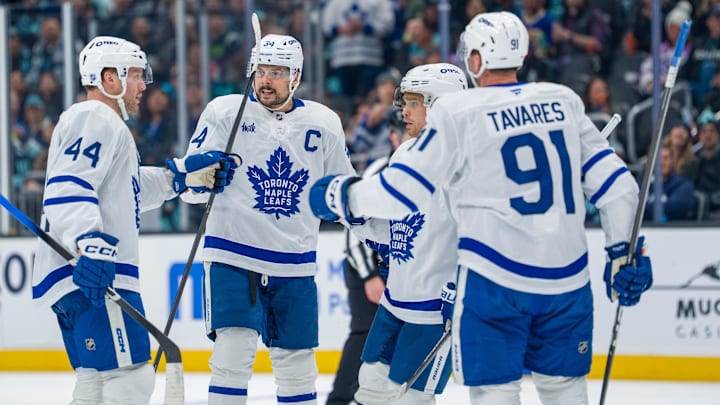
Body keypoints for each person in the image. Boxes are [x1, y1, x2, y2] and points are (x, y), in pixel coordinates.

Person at [309, 12, 654, 405]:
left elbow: (400, 192)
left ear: (475, 61)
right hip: (565, 280)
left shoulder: (460, 115)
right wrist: (622, 256)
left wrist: (342, 195)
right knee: (564, 391)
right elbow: (619, 188)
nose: (405, 110)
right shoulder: (564, 100)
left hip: (494, 281)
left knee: (493, 393)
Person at [32, 36, 238, 405]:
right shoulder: (93, 117)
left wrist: (182, 179)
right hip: (93, 270)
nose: (144, 85)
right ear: (109, 78)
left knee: (95, 382)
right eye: (137, 76)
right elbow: (68, 185)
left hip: (79, 274)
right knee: (131, 380)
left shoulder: (105, 125)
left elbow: (127, 190)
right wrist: (89, 243)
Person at [178, 34, 357, 405]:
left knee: (297, 364)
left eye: (277, 72)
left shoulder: (323, 122)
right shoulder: (224, 113)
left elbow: (342, 192)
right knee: (233, 354)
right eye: (261, 70)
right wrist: (202, 178)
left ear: (296, 76)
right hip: (233, 254)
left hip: (294, 262)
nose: (266, 80)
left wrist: (371, 225)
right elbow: (188, 188)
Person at [350, 63, 468, 405]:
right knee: (370, 385)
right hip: (395, 301)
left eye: (415, 102)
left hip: (435, 307)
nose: (404, 110)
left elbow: (482, 235)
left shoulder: (462, 161)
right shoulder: (404, 152)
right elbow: (397, 229)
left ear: (441, 105)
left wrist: (462, 288)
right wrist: (357, 222)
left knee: (413, 399)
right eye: (405, 101)